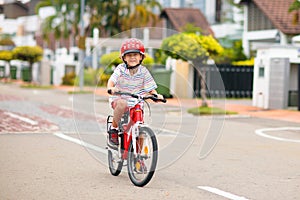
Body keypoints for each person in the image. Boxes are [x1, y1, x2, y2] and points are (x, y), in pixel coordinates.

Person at [107, 38, 163, 147]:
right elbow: (112, 81)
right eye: (129, 55)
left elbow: (150, 88)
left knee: (140, 127)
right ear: (124, 58)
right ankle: (113, 129)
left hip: (137, 102)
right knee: (122, 103)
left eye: (135, 55)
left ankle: (139, 159)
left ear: (141, 57)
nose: (132, 57)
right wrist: (111, 88)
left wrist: (156, 95)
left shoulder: (144, 71)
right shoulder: (121, 69)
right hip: (120, 99)